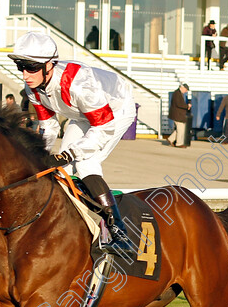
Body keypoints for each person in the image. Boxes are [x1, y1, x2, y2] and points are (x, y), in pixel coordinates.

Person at [9, 31, 135, 254]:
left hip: (115, 110)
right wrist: (40, 157)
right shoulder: (33, 89)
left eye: (31, 67)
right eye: (21, 66)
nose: (25, 75)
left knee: (85, 163)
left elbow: (103, 127)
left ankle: (119, 231)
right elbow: (49, 127)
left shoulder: (78, 84)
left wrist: (70, 153)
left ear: (49, 65)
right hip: (82, 115)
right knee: (60, 169)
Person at [166, 83, 191, 148]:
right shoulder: (177, 94)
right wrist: (187, 106)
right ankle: (179, 143)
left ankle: (170, 139)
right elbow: (179, 104)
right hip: (178, 115)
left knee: (179, 129)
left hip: (177, 114)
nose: (186, 91)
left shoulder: (177, 93)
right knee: (181, 129)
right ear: (182, 88)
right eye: (186, 90)